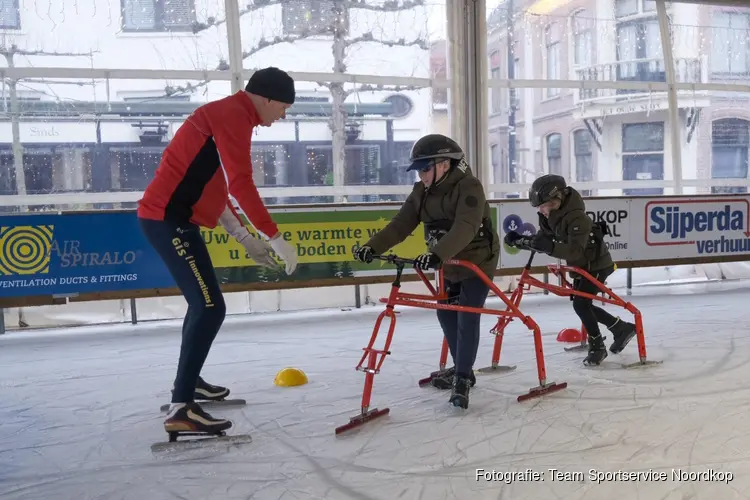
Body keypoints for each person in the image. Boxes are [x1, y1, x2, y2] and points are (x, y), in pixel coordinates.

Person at [137, 67, 299, 436]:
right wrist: (273, 236)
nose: (283, 115)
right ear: (268, 98)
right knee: (209, 305)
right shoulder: (233, 115)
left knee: (204, 304)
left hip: (173, 219)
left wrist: (243, 237)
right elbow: (241, 183)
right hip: (167, 219)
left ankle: (189, 382)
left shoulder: (228, 116)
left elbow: (216, 187)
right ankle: (182, 407)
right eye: (284, 107)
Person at [353, 134, 499, 409]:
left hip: (476, 261)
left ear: (444, 164)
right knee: (445, 312)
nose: (421, 175)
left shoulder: (470, 187)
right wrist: (372, 247)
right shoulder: (422, 191)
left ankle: (464, 378)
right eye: (418, 170)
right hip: (445, 263)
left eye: (425, 168)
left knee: (467, 315)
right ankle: (461, 367)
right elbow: (400, 224)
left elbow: (465, 228)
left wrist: (436, 254)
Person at [504, 174, 636, 366]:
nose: (541, 210)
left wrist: (547, 246)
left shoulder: (578, 218)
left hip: (596, 264)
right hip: (581, 266)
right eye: (538, 207)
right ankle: (621, 328)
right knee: (583, 304)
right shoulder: (548, 217)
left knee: (581, 304)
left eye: (544, 205)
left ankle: (598, 346)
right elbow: (542, 242)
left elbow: (574, 251)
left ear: (558, 199)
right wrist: (519, 241)